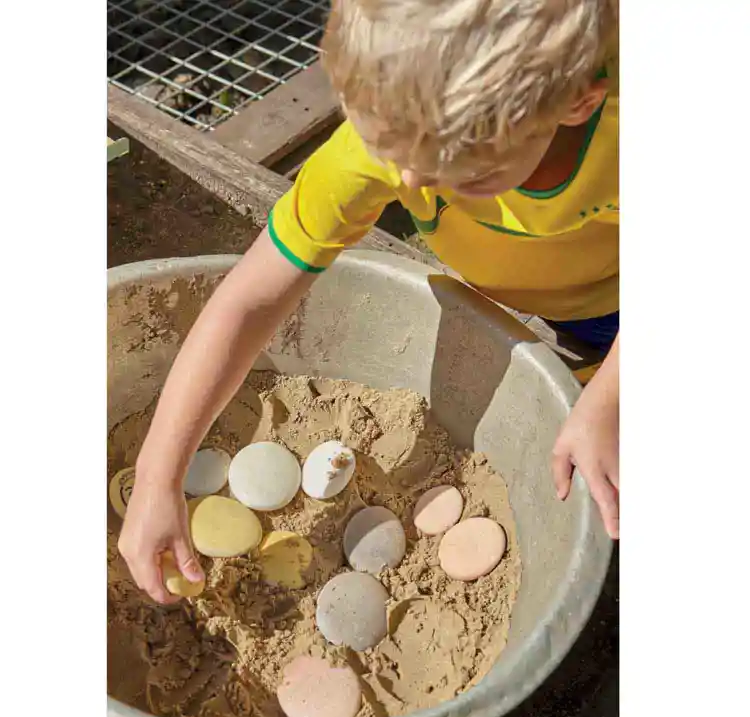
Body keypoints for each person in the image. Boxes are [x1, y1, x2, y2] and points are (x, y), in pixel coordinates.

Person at [119, 0, 620, 604]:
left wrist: (611, 394)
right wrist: (157, 473)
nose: (408, 185)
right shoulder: (390, 142)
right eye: (394, 155)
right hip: (522, 281)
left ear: (577, 104)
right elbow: (249, 299)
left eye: (464, 172)